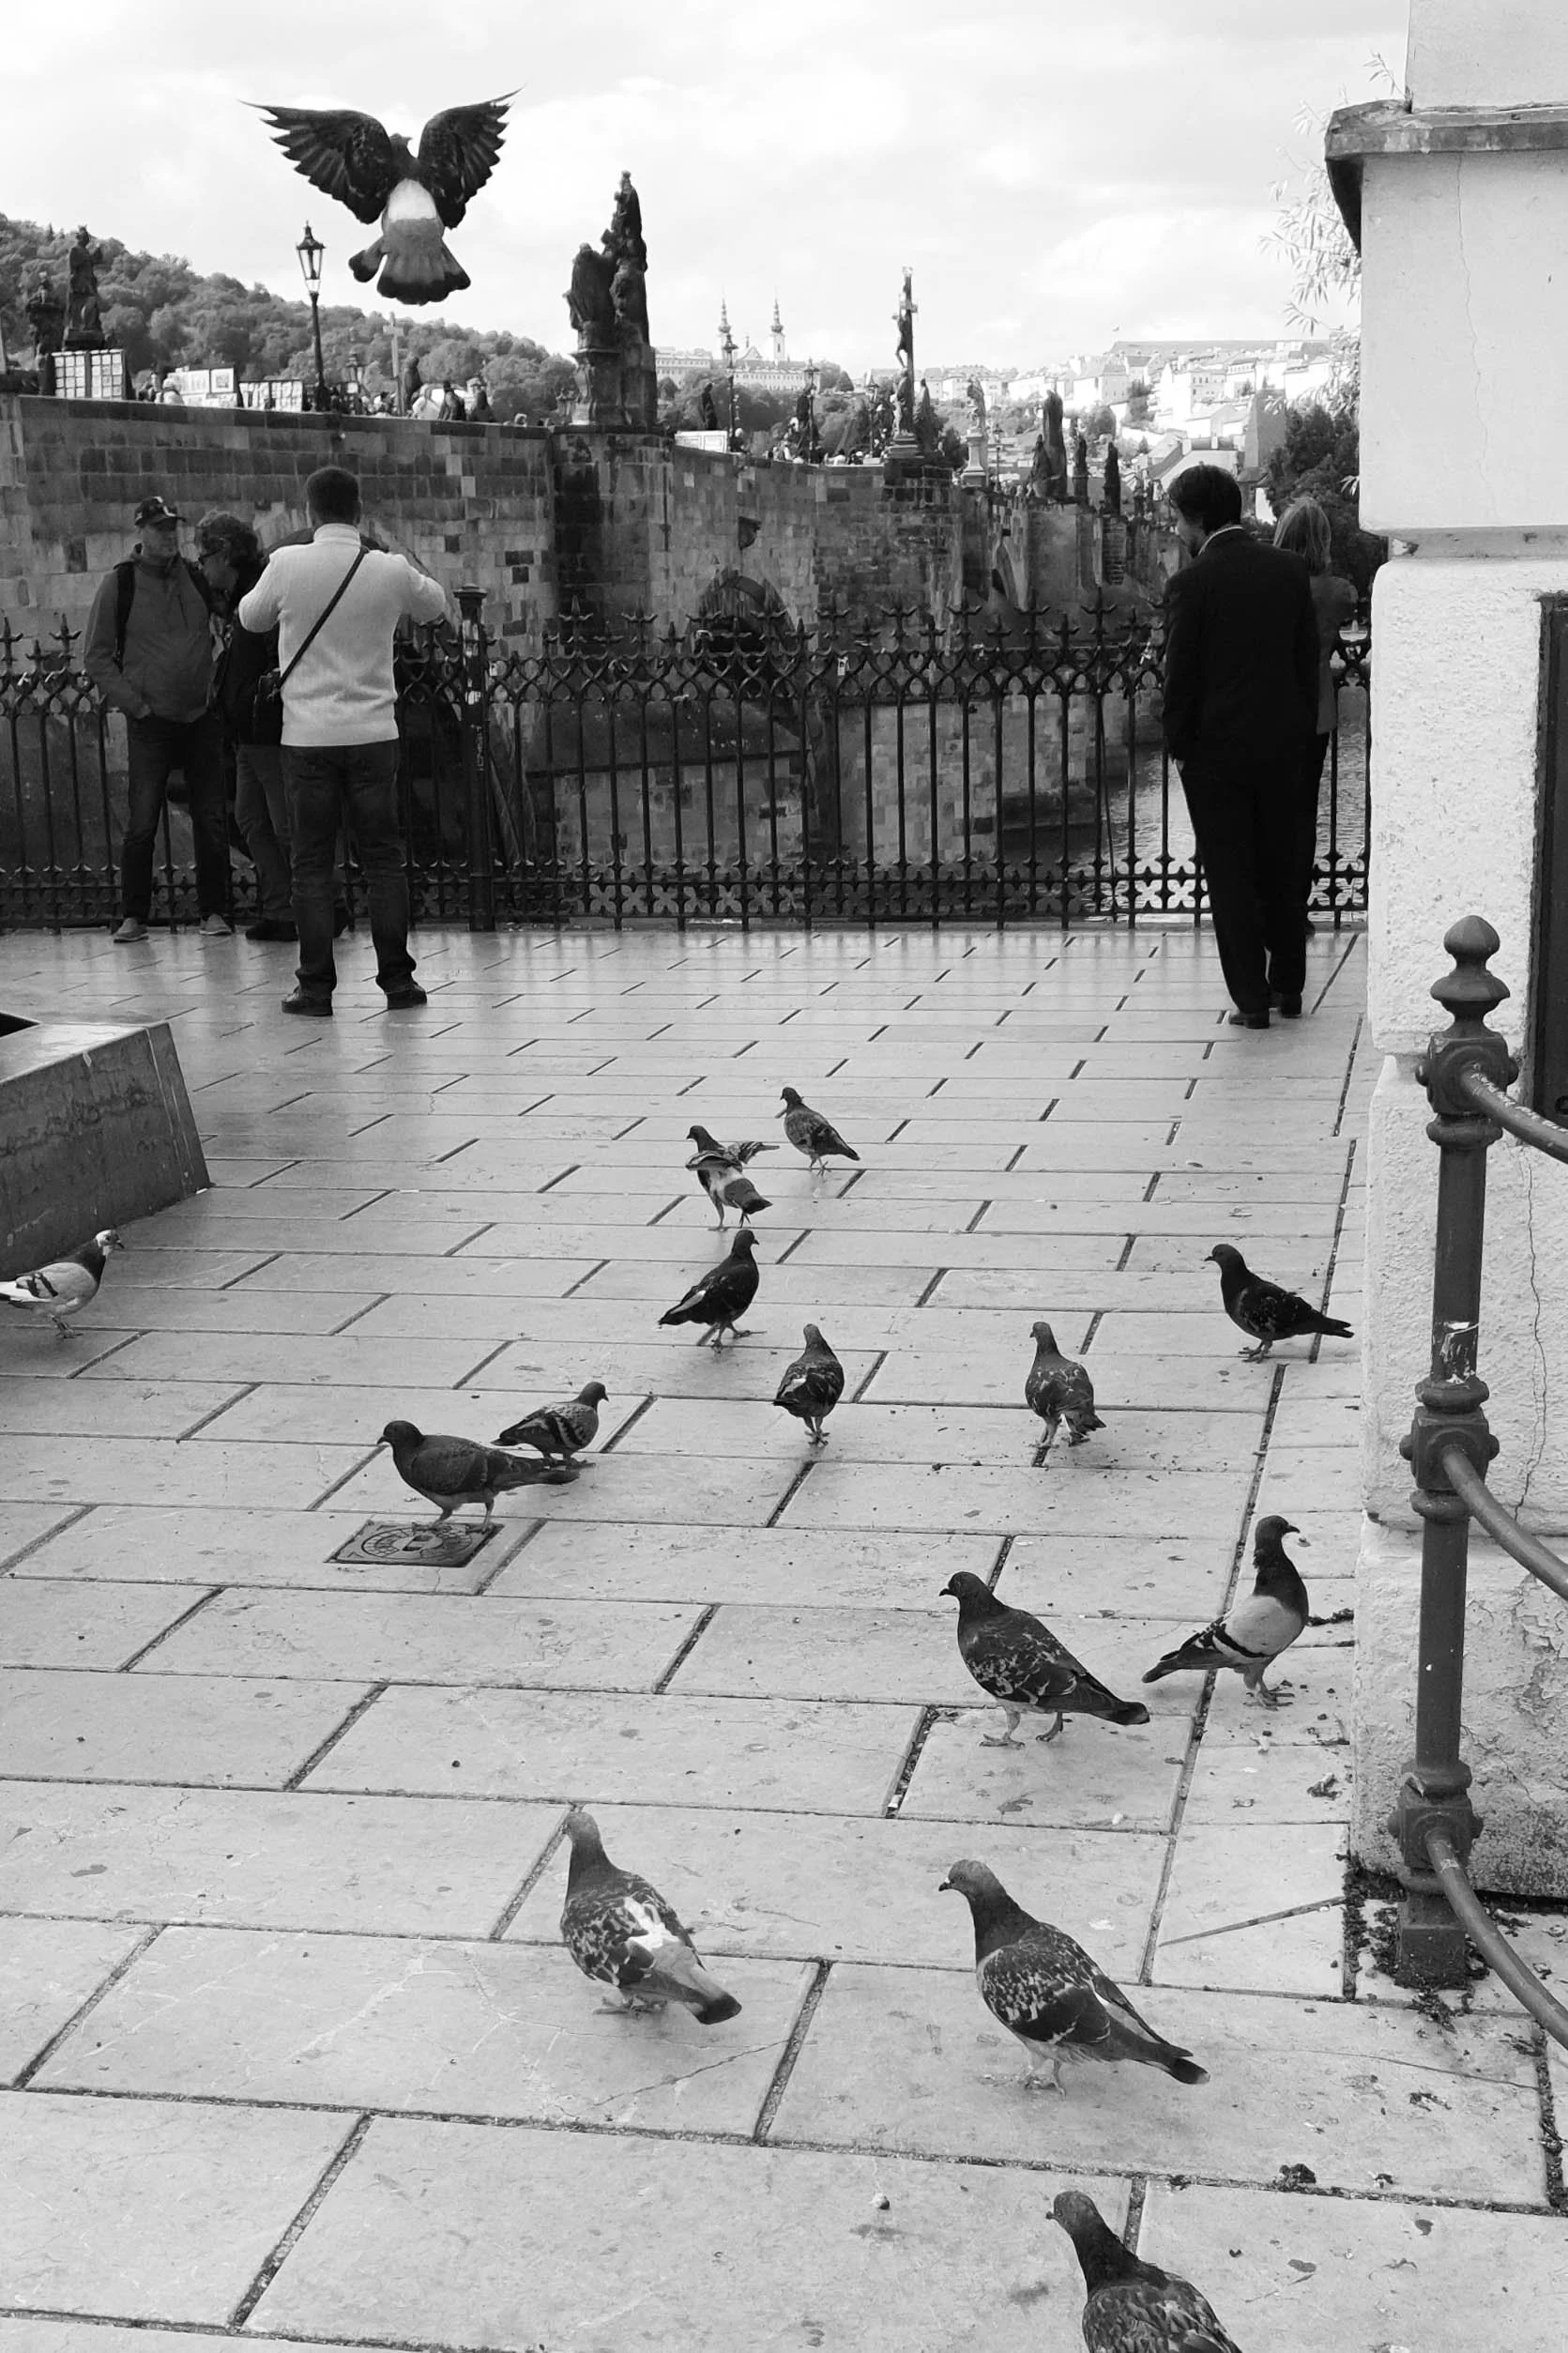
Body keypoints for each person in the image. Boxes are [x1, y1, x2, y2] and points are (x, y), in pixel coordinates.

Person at [237, 464, 449, 1016]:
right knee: (383, 860)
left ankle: (315, 987)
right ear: (358, 511)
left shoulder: (286, 563)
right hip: (374, 734)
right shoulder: (387, 568)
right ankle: (398, 982)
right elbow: (436, 605)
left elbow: (250, 618)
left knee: (310, 862)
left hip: (307, 738)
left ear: (310, 512)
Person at [1161, 464, 1317, 1029]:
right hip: (1283, 744)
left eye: (1177, 517)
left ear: (1197, 518)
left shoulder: (1190, 584)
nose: (1175, 528)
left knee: (1231, 874)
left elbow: (1181, 674)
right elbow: (1303, 662)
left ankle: (1252, 1000)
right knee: (1283, 863)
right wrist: (1298, 730)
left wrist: (1178, 744)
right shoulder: (1289, 570)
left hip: (1216, 752)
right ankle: (1290, 987)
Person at [83, 495, 232, 943]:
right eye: (161, 529)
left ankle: (214, 912)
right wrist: (136, 705)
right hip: (151, 720)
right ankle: (134, 916)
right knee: (143, 819)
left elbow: (226, 619)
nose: (170, 536)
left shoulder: (193, 576)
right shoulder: (120, 585)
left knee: (210, 816)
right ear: (141, 533)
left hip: (200, 714)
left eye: (173, 528)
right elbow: (97, 656)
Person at [1272, 497, 1357, 933]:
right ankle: (1296, 907)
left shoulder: (1270, 586)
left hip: (1270, 706)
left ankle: (1267, 903)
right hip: (1316, 709)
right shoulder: (1337, 591)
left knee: (1268, 810)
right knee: (1303, 812)